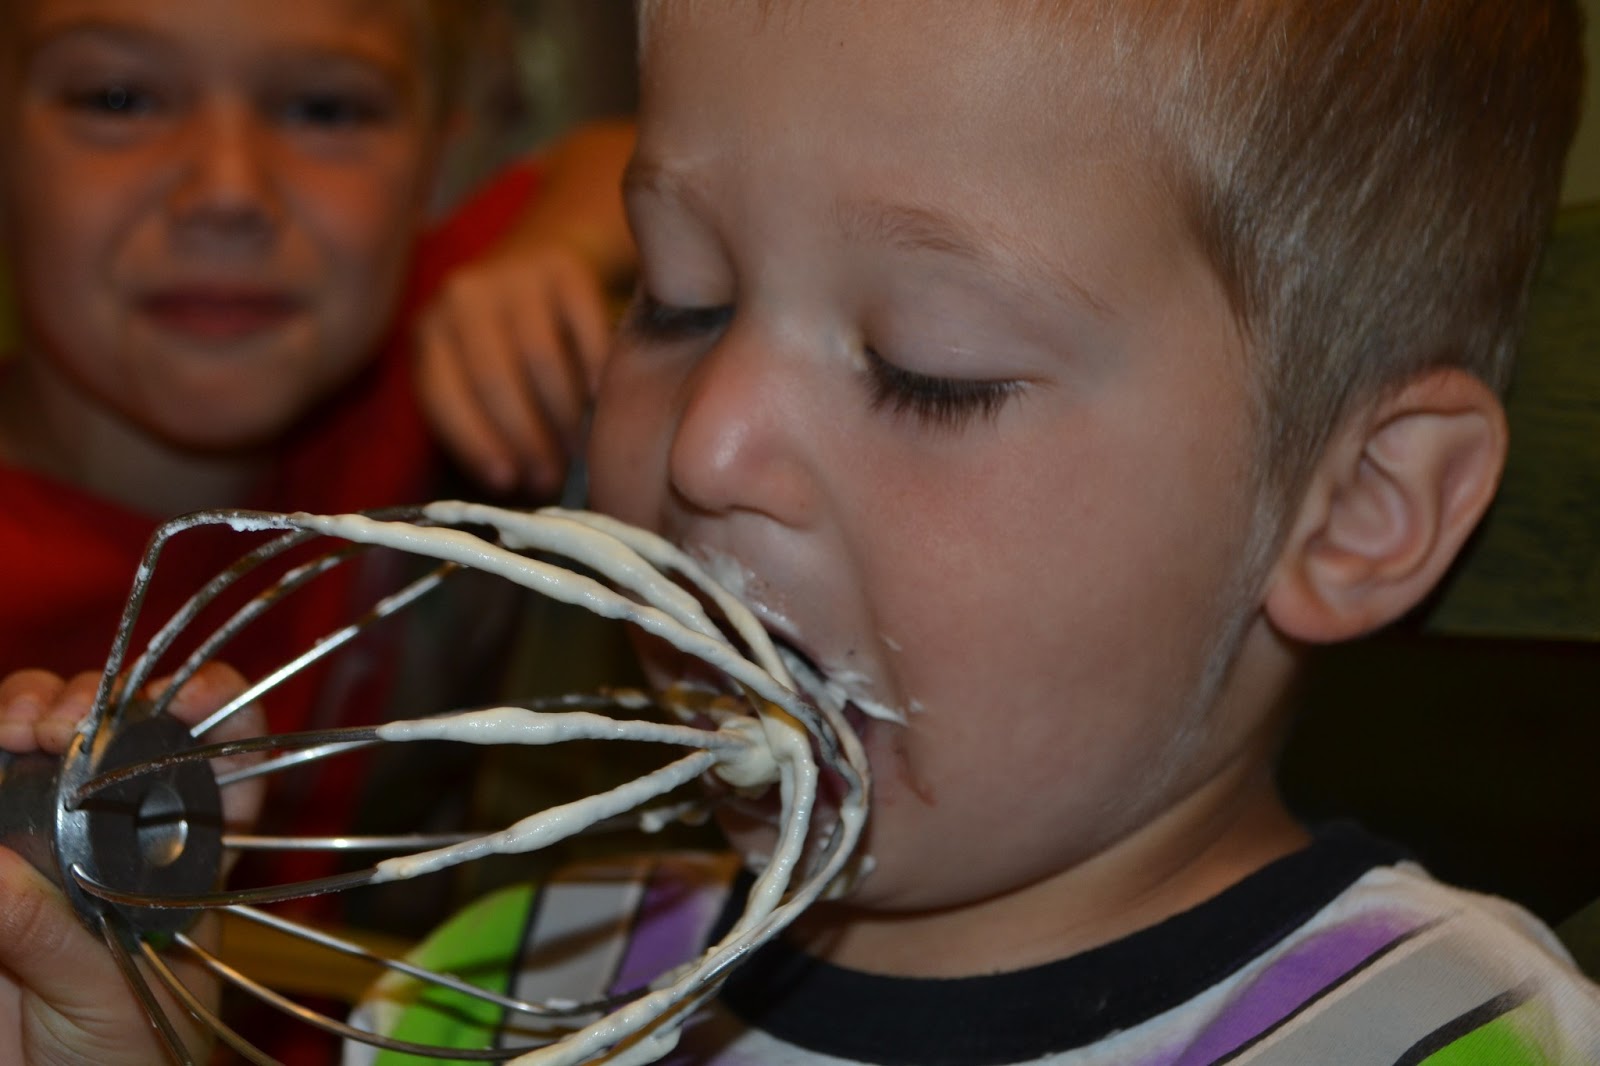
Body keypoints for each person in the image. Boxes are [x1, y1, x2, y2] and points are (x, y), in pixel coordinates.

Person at [3, 0, 1597, 1063]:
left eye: (930, 367)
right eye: (677, 301)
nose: (707, 446)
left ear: (1357, 506)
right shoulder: (508, 986)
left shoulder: (1442, 1038)